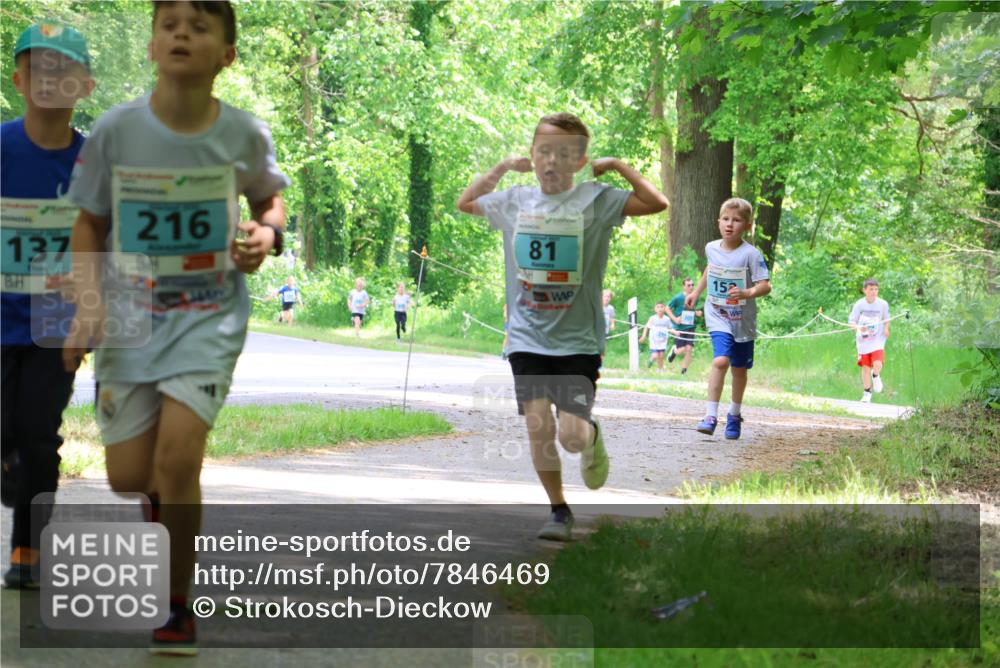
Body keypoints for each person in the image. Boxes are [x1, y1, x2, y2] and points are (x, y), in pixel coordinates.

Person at [62, 1, 289, 654]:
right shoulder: (115, 132)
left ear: (227, 54)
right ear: (153, 45)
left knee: (179, 457)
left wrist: (265, 233)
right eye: (169, 24)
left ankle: (177, 604)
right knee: (131, 476)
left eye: (199, 24)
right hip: (131, 319)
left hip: (208, 318)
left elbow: (269, 197)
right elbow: (89, 222)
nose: (182, 33)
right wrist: (87, 304)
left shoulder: (243, 134)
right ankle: (161, 508)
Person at [457, 112, 668, 541]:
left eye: (564, 154)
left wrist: (620, 168)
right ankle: (558, 510)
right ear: (532, 156)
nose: (552, 161)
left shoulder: (597, 200)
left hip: (578, 339)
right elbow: (466, 202)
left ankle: (591, 437)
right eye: (544, 152)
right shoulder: (515, 201)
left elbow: (657, 203)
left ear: (579, 160)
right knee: (539, 427)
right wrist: (500, 168)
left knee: (571, 437)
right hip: (527, 337)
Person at [1, 22, 94, 590]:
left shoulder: (92, 164)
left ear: (84, 85)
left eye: (63, 69)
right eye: (39, 67)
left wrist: (89, 309)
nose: (49, 78)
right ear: (18, 79)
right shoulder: (2, 147)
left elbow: (110, 240)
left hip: (55, 320)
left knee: (39, 434)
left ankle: (27, 554)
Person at [686, 198, 771, 440]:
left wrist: (748, 292)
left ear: (747, 225)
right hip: (717, 312)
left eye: (736, 220)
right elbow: (710, 269)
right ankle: (710, 415)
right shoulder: (711, 247)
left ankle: (734, 414)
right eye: (725, 219)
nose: (729, 224)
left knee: (739, 369)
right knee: (721, 360)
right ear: (718, 222)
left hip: (742, 319)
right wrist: (696, 292)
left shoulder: (751, 255)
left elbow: (765, 286)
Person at [849, 278, 890, 403]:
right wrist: (859, 328)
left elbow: (887, 318)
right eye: (871, 289)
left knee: (877, 363)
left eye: (876, 289)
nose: (874, 292)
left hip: (877, 339)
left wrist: (887, 329)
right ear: (864, 290)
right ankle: (867, 393)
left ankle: (876, 375)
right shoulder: (859, 304)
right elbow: (851, 322)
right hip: (864, 340)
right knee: (865, 367)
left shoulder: (883, 304)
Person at [665, 277, 702, 375]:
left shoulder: (695, 297)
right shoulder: (678, 298)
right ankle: (674, 351)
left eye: (692, 285)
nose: (691, 287)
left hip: (690, 326)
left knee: (689, 349)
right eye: (688, 285)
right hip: (680, 328)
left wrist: (696, 313)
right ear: (684, 287)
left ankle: (684, 371)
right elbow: (667, 308)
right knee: (682, 349)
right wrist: (675, 319)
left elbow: (691, 310)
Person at [638, 302, 672, 372]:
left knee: (661, 356)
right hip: (654, 340)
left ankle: (660, 369)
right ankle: (650, 360)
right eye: (658, 307)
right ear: (655, 309)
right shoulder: (652, 318)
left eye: (661, 307)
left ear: (664, 309)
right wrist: (644, 336)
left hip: (663, 340)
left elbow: (670, 328)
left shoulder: (667, 319)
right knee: (655, 356)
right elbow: (646, 327)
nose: (660, 309)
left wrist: (675, 332)